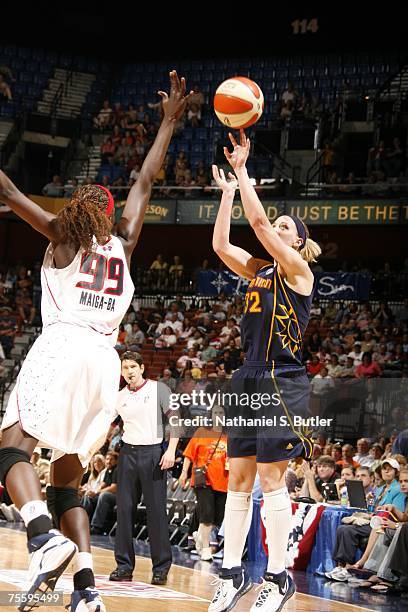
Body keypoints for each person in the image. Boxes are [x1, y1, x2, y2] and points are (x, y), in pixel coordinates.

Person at [0, 70, 190, 612]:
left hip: (63, 348)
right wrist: (169, 124)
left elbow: (9, 189)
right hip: (106, 363)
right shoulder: (124, 243)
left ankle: (41, 538)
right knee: (67, 478)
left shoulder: (61, 237)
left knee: (11, 447)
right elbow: (146, 180)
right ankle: (86, 590)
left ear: (77, 209)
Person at [209, 129, 321, 612]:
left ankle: (278, 577)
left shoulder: (299, 272)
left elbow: (255, 223)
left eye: (283, 226)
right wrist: (228, 196)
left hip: (282, 378)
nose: (274, 228)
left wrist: (242, 173)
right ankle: (231, 573)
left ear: (297, 241)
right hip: (248, 376)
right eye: (275, 225)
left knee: (272, 482)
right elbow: (220, 245)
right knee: (238, 480)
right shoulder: (258, 270)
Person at [108, 351, 179, 585]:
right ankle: (124, 566)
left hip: (153, 453)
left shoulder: (159, 389)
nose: (128, 371)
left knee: (156, 512)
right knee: (124, 511)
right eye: (124, 367)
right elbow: (105, 426)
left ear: (141, 368)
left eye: (132, 367)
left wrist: (170, 451)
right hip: (127, 454)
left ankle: (161, 568)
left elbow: (176, 421)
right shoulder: (119, 397)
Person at [180, 405, 229, 562]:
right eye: (216, 412)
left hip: (223, 481)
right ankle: (206, 549)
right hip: (203, 480)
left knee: (217, 518)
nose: (218, 415)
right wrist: (183, 472)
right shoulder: (202, 431)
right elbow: (188, 454)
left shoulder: (229, 435)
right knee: (207, 513)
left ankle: (200, 536)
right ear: (211, 415)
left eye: (221, 412)